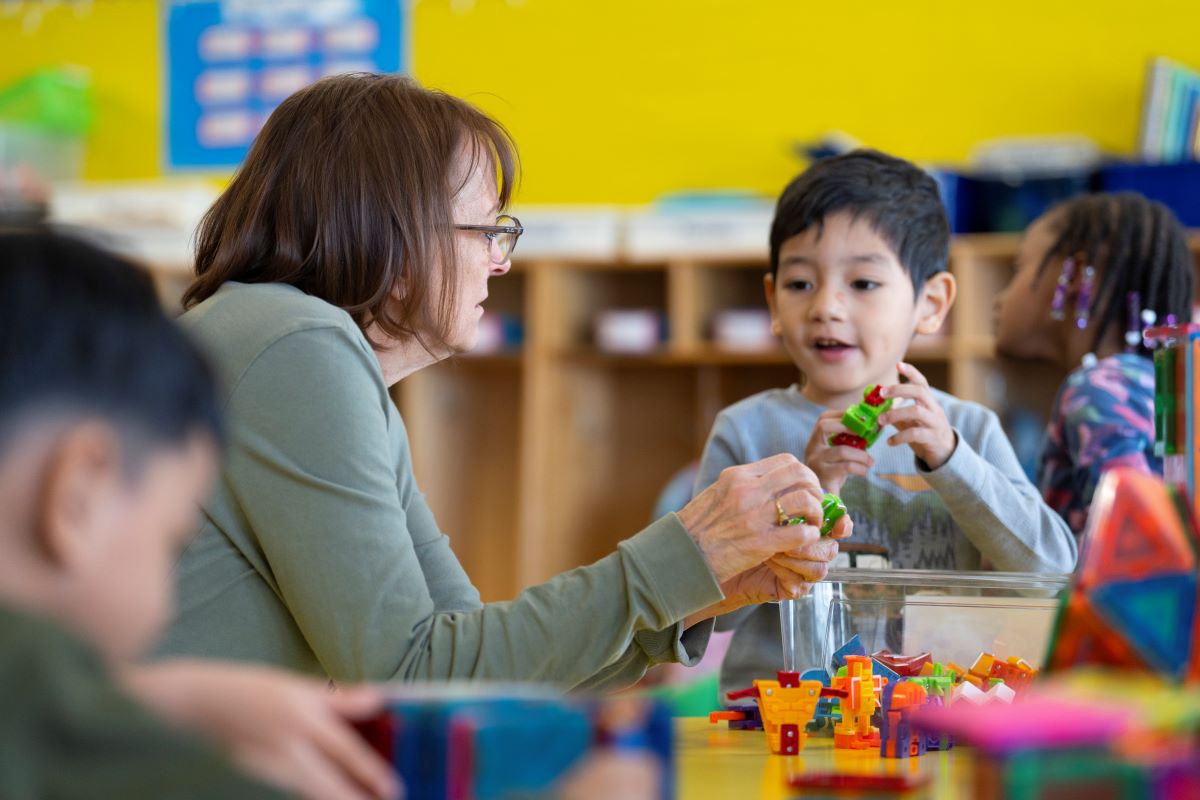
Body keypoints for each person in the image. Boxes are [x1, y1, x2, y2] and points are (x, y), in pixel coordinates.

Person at [155, 73, 851, 686]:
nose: (500, 263)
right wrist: (679, 557)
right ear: (395, 231)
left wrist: (701, 586)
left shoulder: (299, 346)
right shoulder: (298, 346)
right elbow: (413, 673)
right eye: (485, 230)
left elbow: (469, 665)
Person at [0, 230, 397, 800]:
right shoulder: (35, 695)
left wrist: (155, 698)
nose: (163, 607)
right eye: (171, 542)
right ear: (77, 495)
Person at [693, 150, 1078, 696]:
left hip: (932, 720)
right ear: (772, 300)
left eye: (864, 284)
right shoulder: (746, 430)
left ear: (931, 301)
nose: (826, 306)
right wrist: (813, 488)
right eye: (800, 283)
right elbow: (707, 614)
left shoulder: (969, 428)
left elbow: (1050, 574)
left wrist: (950, 459)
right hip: (783, 724)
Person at [994, 192, 1194, 536]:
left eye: (1019, 268)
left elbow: (1134, 539)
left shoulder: (1102, 389)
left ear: (1071, 277)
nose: (1000, 298)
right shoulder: (1153, 382)